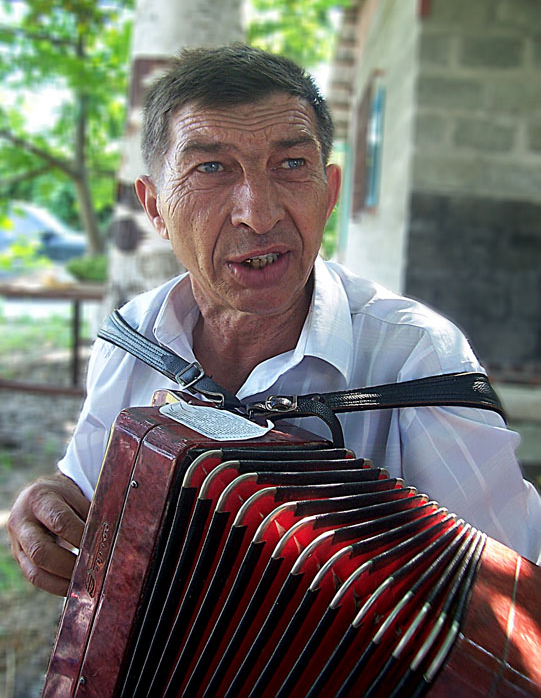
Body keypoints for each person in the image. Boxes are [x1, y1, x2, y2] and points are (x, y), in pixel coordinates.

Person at [8, 45, 541, 596]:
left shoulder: (417, 360)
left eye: (291, 165)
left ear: (330, 192)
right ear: (155, 208)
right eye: (211, 168)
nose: (258, 213)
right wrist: (44, 502)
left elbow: (508, 596)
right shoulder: (132, 339)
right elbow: (84, 486)